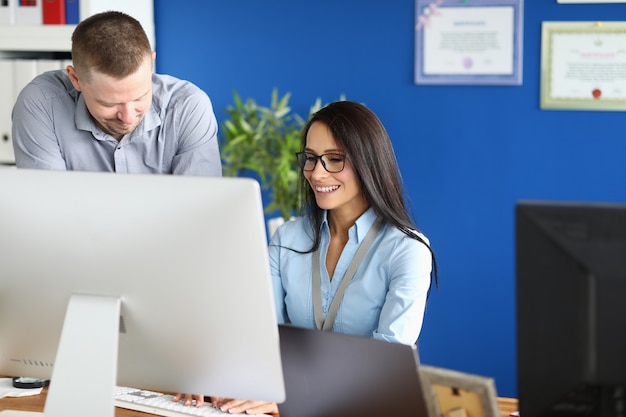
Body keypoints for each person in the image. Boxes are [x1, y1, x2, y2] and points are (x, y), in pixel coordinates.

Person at [184, 100, 438, 415]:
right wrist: (218, 374)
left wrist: (291, 398)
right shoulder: (287, 238)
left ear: (369, 162)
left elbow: (385, 369)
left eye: (334, 159)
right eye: (311, 158)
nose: (317, 173)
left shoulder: (408, 250)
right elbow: (260, 336)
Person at [11, 11, 221, 175]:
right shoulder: (42, 103)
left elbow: (200, 212)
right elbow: (48, 209)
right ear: (76, 79)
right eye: (110, 104)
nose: (128, 118)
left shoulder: (187, 106)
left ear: (151, 64)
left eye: (140, 97)